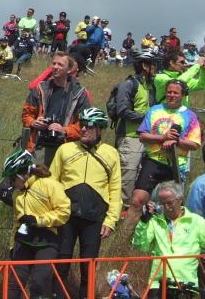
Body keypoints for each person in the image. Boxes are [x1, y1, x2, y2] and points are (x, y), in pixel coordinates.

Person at [49, 108, 122, 299]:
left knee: (88, 268)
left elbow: (115, 190)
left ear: (100, 129)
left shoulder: (111, 153)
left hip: (94, 218)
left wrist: (110, 220)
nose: (83, 130)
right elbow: (52, 183)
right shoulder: (65, 149)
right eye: (82, 125)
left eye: (89, 126)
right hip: (66, 216)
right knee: (61, 266)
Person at [2, 150, 71, 299]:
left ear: (23, 175)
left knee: (39, 283)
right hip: (24, 239)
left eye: (13, 179)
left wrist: (39, 221)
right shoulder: (17, 194)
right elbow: (16, 221)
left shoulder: (49, 184)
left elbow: (64, 212)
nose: (12, 183)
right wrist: (12, 245)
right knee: (15, 283)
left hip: (47, 239)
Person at [130, 79, 204, 217]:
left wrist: (176, 141)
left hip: (176, 165)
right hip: (153, 160)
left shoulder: (190, 116)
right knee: (137, 201)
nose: (172, 95)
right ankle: (126, 234)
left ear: (183, 95)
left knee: (172, 208)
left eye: (175, 93)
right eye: (169, 92)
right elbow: (143, 136)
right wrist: (163, 138)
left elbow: (194, 145)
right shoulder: (155, 110)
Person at [132, 180, 205, 298]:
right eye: (162, 203)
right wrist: (144, 221)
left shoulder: (196, 221)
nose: (167, 207)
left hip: (185, 282)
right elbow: (140, 245)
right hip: (158, 283)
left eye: (170, 203)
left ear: (180, 199)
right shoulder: (153, 220)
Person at [109, 50, 159, 205]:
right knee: (127, 180)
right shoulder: (129, 84)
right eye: (153, 65)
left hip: (147, 139)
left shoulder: (150, 86)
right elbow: (122, 111)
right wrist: (147, 118)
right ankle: (120, 216)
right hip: (130, 138)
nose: (156, 68)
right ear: (144, 66)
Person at [23, 52, 91, 165]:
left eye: (60, 65)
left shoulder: (80, 94)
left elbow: (85, 125)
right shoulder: (40, 89)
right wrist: (33, 122)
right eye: (54, 64)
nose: (55, 67)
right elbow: (26, 114)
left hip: (68, 147)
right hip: (40, 144)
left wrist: (64, 130)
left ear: (69, 69)